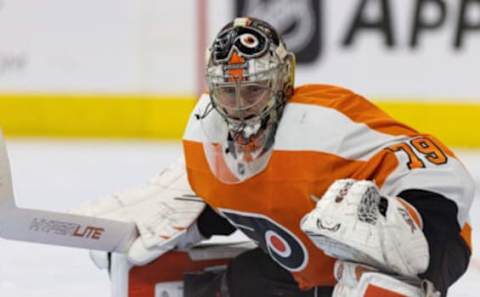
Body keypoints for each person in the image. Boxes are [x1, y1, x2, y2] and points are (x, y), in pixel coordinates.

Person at [80, 17, 474, 297]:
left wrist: (417, 230)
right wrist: (193, 221)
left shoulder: (326, 123)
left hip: (427, 243)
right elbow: (253, 195)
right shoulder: (205, 134)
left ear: (283, 79)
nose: (239, 107)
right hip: (310, 265)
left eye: (252, 90)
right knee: (245, 281)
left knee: (368, 255)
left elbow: (442, 169)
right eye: (227, 92)